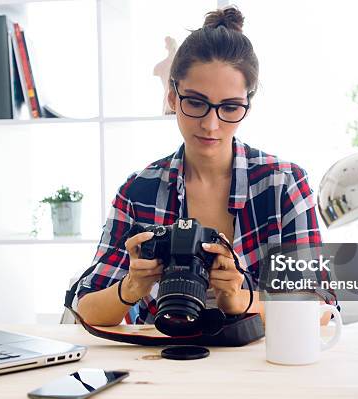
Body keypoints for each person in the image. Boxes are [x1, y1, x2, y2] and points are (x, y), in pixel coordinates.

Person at [76, 6, 335, 326]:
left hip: (261, 366)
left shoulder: (283, 184)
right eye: (196, 103)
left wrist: (239, 299)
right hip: (163, 362)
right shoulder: (139, 191)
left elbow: (318, 305)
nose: (211, 125)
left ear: (247, 106)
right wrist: (131, 287)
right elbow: (85, 306)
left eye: (229, 107)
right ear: (172, 97)